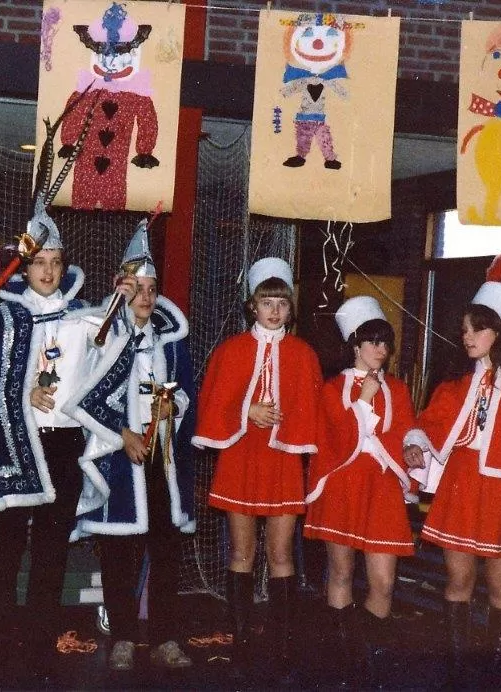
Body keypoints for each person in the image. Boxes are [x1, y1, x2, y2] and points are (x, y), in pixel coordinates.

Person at [63, 221, 197, 671]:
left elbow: (182, 390)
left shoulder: (169, 337)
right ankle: (122, 635)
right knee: (121, 551)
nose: (145, 297)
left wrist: (170, 408)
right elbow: (83, 395)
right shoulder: (104, 334)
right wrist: (122, 434)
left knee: (165, 548)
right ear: (122, 288)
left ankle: (164, 637)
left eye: (151, 289)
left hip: (162, 455)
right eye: (136, 288)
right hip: (120, 454)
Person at [404, 256, 501, 687]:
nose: (466, 337)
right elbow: (427, 426)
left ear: (498, 331)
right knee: (458, 579)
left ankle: (497, 674)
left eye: (475, 328)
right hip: (460, 488)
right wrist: (416, 446)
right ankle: (460, 671)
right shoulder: (454, 383)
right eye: (463, 329)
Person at [192, 257, 322, 682]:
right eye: (266, 302)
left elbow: (311, 409)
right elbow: (212, 401)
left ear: (290, 307)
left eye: (281, 303)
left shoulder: (303, 354)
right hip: (241, 457)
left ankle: (282, 640)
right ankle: (241, 637)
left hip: (283, 460)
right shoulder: (231, 350)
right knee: (241, 552)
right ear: (252, 305)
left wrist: (285, 419)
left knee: (282, 553)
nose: (274, 311)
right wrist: (246, 411)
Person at [0, 225, 92, 672]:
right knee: (6, 539)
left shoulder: (82, 315)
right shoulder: (4, 314)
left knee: (52, 541)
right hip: (16, 439)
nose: (49, 271)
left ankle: (42, 634)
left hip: (63, 442)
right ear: (25, 267)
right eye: (40, 262)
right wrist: (22, 395)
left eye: (56, 262)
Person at [302, 296, 422, 684]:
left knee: (383, 582)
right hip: (342, 485)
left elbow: (402, 432)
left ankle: (373, 671)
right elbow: (335, 436)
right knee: (340, 573)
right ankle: (341, 668)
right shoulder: (334, 386)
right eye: (372, 342)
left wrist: (411, 449)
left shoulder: (399, 390)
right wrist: (363, 399)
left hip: (382, 489)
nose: (380, 351)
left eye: (385, 343)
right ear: (355, 345)